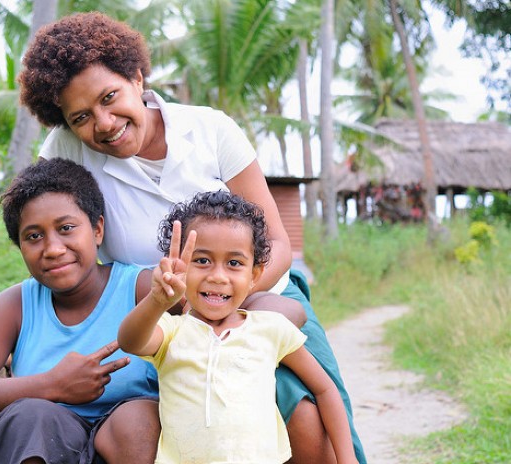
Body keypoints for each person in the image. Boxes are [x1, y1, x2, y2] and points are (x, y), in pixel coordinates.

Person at [19, 11, 366, 463]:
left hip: (259, 298)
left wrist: (229, 303)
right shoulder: (65, 150)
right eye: (82, 116)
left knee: (306, 405)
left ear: (137, 78)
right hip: (161, 319)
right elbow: (51, 237)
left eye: (110, 97)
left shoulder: (210, 130)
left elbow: (278, 246)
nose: (103, 123)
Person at [0, 158, 161, 464]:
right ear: (20, 246)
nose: (52, 248)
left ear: (97, 229)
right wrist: (53, 385)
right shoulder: (15, 306)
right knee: (29, 415)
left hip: (129, 448)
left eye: (66, 228)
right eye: (34, 236)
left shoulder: (143, 289)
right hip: (45, 448)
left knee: (137, 418)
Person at [118, 191, 358, 463]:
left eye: (234, 263)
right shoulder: (171, 332)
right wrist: (157, 301)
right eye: (202, 260)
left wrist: (347, 459)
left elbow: (325, 389)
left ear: (254, 275)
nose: (217, 276)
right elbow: (130, 341)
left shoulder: (271, 329)